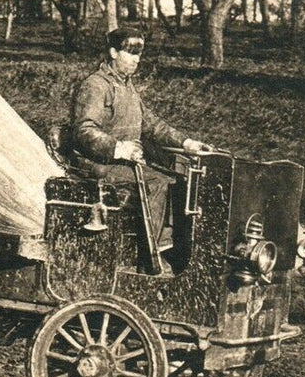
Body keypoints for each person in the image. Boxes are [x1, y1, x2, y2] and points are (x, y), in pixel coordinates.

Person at [71, 26, 212, 253]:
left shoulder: (127, 87)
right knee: (158, 184)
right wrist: (118, 148)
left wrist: (187, 143)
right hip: (98, 164)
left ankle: (173, 246)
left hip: (123, 164)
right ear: (114, 52)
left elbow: (152, 125)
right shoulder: (96, 85)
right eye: (131, 52)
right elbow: (84, 131)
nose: (137, 59)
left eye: (139, 53)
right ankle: (150, 257)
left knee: (180, 181)